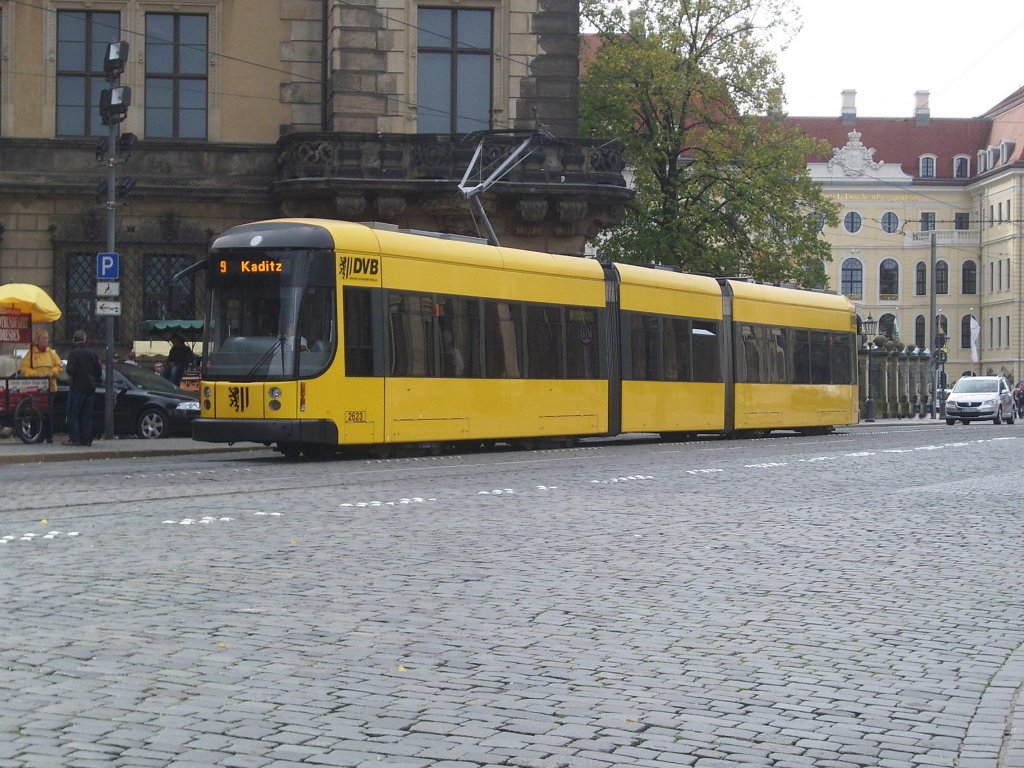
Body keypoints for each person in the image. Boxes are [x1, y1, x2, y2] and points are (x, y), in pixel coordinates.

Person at [19, 331, 62, 443]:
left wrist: (52, 372)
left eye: (47, 338)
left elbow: (59, 365)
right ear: (38, 340)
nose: (45, 341)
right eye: (43, 338)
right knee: (35, 411)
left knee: (48, 412)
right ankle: (35, 434)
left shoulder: (51, 353)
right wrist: (36, 374)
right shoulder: (31, 353)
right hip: (36, 388)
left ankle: (49, 436)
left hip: (50, 388)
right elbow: (24, 369)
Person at [64, 329, 102, 446]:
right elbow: (99, 372)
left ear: (74, 340)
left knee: (74, 414)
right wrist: (94, 381)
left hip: (77, 387)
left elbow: (70, 370)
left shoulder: (73, 353)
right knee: (87, 414)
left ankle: (75, 439)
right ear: (85, 340)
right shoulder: (93, 354)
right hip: (90, 388)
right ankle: (86, 439)